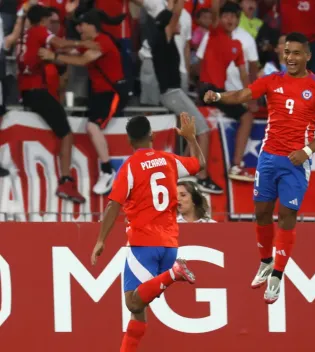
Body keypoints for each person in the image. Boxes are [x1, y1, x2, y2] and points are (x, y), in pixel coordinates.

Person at [204, 32, 315, 304]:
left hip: (295, 163)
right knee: (261, 213)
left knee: (286, 216)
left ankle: (277, 274)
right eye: (287, 52)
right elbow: (242, 94)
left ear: (307, 56)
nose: (290, 57)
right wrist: (217, 95)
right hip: (268, 158)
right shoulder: (272, 81)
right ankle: (265, 261)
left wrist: (307, 151)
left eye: (296, 53)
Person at [90, 113, 205, 352]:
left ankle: (174, 274)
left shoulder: (130, 166)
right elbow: (199, 164)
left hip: (144, 243)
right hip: (170, 244)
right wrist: (191, 138)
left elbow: (113, 205)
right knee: (139, 312)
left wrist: (101, 240)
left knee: (132, 303)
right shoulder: (169, 160)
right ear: (151, 135)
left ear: (129, 141)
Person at [135, 0, 222, 194]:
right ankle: (203, 177)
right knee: (204, 132)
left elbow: (173, 17)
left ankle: (186, 171)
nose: (180, 25)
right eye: (176, 23)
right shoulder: (163, 38)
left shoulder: (165, 40)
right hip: (172, 94)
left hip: (174, 93)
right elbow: (175, 14)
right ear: (169, 25)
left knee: (195, 133)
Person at [39, 9, 129, 195]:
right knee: (90, 126)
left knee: (92, 127)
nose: (79, 28)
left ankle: (107, 170)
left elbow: (81, 60)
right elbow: (70, 49)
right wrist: (52, 44)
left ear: (91, 25)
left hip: (112, 93)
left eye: (81, 25)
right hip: (98, 94)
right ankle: (106, 170)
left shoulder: (102, 42)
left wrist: (53, 57)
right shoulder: (90, 42)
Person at [18, 4, 98, 203]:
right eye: (48, 21)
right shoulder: (39, 31)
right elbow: (60, 44)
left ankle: (65, 179)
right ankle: (66, 180)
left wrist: (71, 52)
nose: (50, 25)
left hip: (28, 90)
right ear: (43, 20)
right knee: (66, 132)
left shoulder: (28, 35)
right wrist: (85, 44)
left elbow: (57, 56)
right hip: (36, 91)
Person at [197, 1, 255, 182]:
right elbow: (214, 9)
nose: (230, 19)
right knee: (246, 117)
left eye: (233, 16)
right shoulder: (215, 33)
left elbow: (244, 74)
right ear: (220, 19)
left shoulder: (237, 45)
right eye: (226, 15)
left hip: (218, 92)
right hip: (208, 89)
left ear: (239, 20)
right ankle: (236, 165)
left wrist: (250, 96)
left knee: (244, 113)